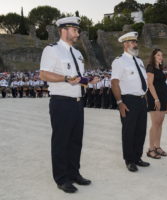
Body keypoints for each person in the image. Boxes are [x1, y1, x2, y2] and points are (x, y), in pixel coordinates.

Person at [39, 17, 99, 193]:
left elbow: (77, 78)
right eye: (75, 30)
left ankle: (74, 173)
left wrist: (89, 80)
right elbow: (44, 74)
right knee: (61, 142)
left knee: (75, 142)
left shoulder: (78, 53)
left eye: (78, 30)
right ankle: (61, 178)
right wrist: (65, 78)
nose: (78, 33)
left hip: (78, 102)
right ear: (63, 30)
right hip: (61, 102)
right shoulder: (52, 50)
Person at [111, 31, 150, 172]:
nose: (135, 44)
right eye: (133, 42)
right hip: (128, 100)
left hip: (140, 100)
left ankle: (137, 157)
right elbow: (114, 83)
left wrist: (145, 98)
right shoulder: (119, 61)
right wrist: (120, 102)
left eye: (135, 42)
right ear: (125, 44)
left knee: (140, 130)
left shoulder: (139, 61)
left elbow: (142, 81)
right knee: (129, 131)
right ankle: (129, 160)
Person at [146, 48, 167, 159]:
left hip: (163, 97)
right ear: (154, 56)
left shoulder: (160, 68)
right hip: (155, 98)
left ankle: (157, 147)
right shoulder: (150, 67)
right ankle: (151, 149)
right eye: (158, 55)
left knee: (160, 123)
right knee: (155, 123)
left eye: (162, 55)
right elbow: (150, 84)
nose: (161, 57)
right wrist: (156, 99)